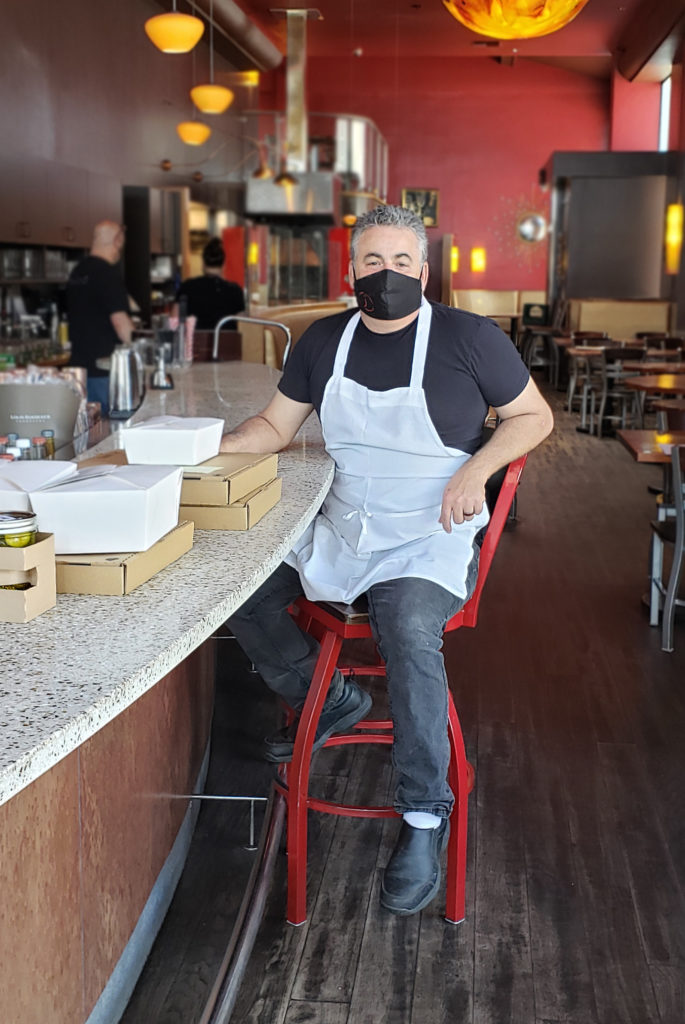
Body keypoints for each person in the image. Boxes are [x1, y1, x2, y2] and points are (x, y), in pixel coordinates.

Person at [220, 205, 554, 916]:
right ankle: (329, 697)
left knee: (404, 628)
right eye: (373, 261)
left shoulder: (470, 338)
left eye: (402, 262)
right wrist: (206, 450)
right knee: (237, 585)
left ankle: (424, 815)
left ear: (424, 272)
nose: (387, 274)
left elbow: (534, 416)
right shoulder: (323, 340)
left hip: (430, 534)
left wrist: (478, 470)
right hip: (344, 529)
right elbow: (274, 426)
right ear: (351, 272)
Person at [66, 220, 133, 415]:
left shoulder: (77, 272)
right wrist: (139, 354)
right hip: (103, 372)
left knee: (84, 428)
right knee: (108, 427)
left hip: (77, 370)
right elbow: (121, 324)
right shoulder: (107, 274)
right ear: (117, 240)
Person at [173, 237, 244, 330]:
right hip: (226, 339)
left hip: (195, 339)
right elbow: (242, 325)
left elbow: (174, 321)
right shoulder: (235, 290)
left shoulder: (187, 287)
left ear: (203, 263)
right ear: (223, 265)